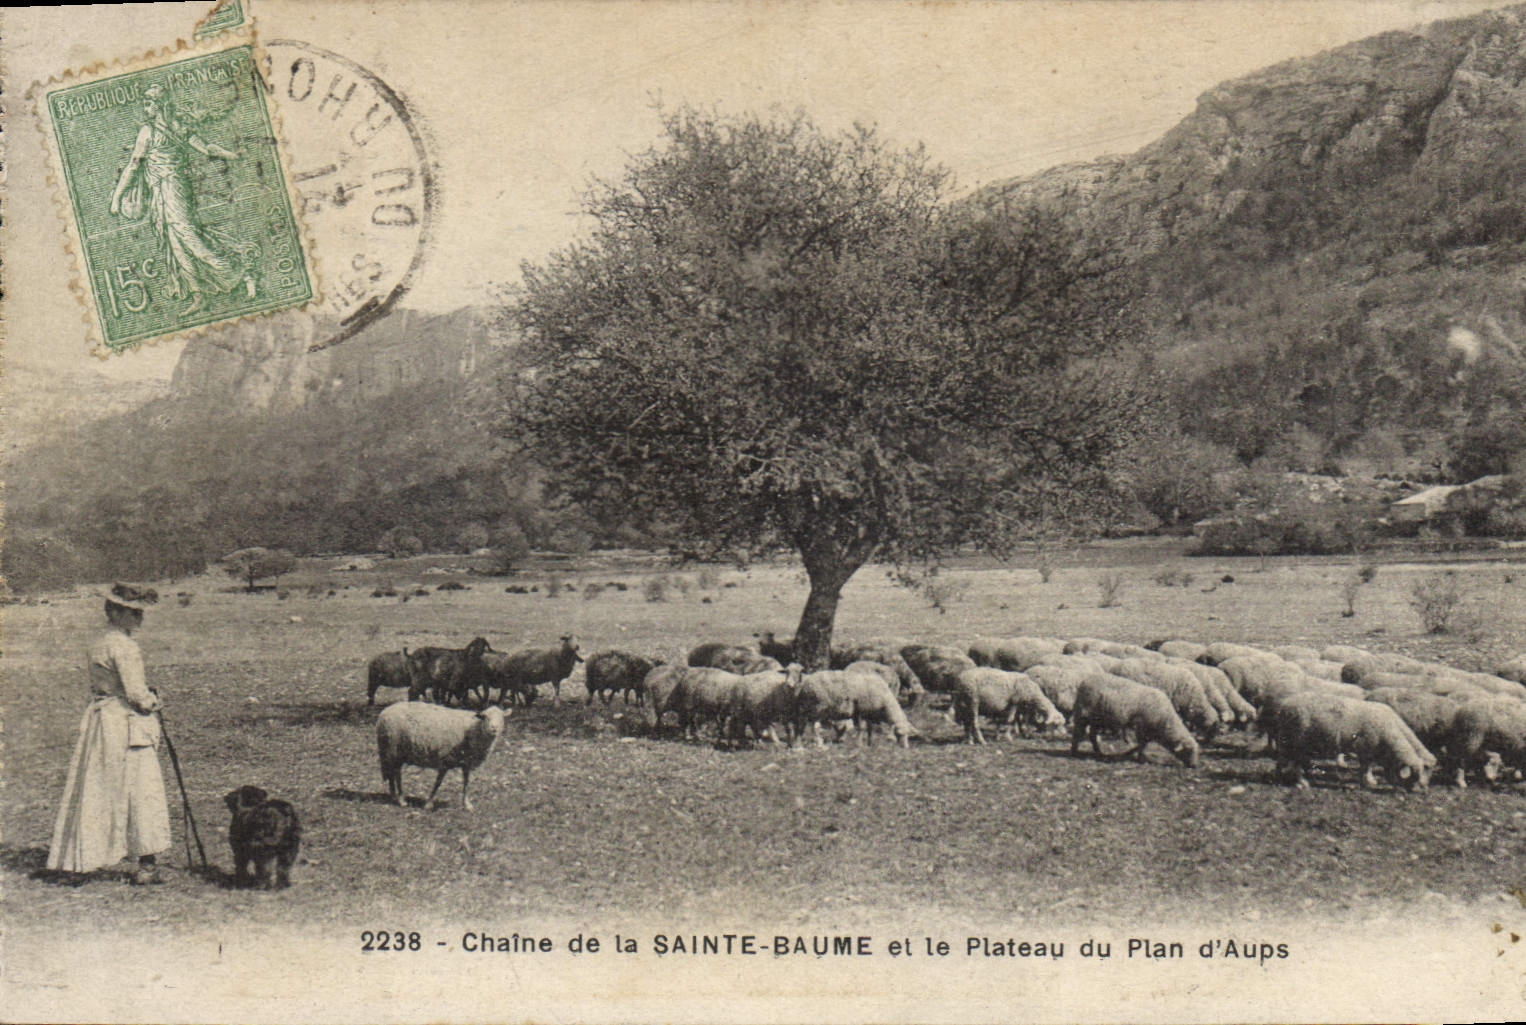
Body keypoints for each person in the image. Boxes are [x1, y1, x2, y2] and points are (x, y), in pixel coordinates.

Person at [47, 583, 172, 885]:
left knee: (97, 787)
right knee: (142, 790)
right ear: (114, 612)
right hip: (127, 725)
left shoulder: (99, 642)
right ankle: (147, 864)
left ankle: (83, 858)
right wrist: (154, 700)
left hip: (102, 723)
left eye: (140, 612)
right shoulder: (125, 647)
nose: (139, 618)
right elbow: (137, 695)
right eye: (132, 612)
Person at [109, 82, 257, 315]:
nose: (145, 108)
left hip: (174, 189)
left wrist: (117, 198)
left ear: (159, 105)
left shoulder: (153, 131)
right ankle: (199, 295)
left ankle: (241, 272)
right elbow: (206, 149)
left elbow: (134, 166)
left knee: (190, 238)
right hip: (162, 192)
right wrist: (232, 155)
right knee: (175, 243)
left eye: (148, 104)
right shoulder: (170, 128)